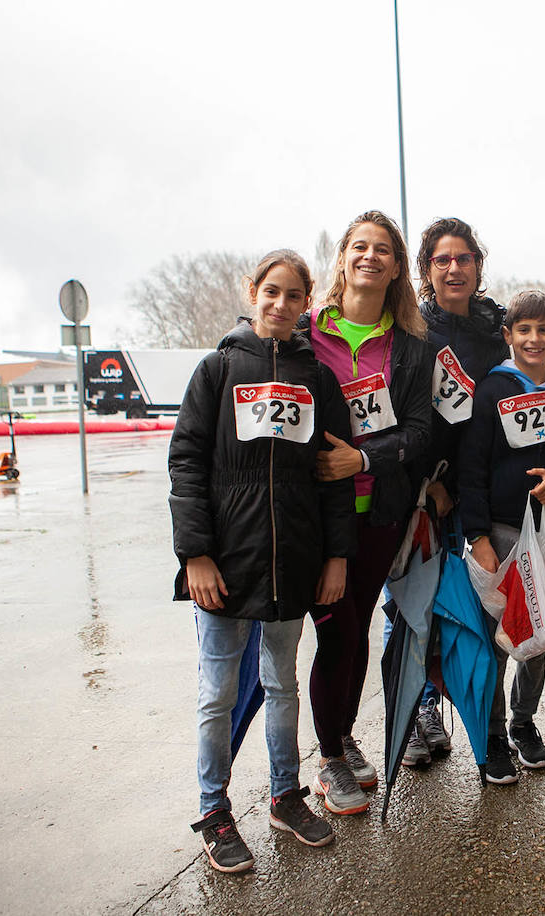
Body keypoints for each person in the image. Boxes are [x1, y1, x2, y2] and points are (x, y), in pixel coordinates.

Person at [169, 250, 355, 873]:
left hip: (294, 565)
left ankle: (284, 794)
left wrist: (335, 558)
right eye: (269, 292)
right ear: (252, 292)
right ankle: (215, 810)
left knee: (282, 684)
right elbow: (187, 463)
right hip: (223, 564)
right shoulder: (216, 370)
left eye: (293, 296)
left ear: (308, 304)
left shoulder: (318, 380)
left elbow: (333, 475)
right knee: (218, 693)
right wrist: (194, 554)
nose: (279, 305)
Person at [303, 211, 434, 814]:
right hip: (317, 515)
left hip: (380, 509)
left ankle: (342, 736)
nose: (371, 256)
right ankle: (330, 756)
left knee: (355, 631)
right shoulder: (306, 334)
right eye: (360, 246)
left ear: (397, 266)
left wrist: (361, 458)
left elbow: (420, 430)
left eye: (383, 249)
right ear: (343, 259)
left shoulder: (410, 345)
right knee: (336, 632)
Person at [458, 289, 545, 783]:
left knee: (536, 624)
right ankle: (493, 735)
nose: (533, 339)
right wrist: (477, 536)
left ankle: (524, 722)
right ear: (508, 336)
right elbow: (471, 466)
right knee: (496, 634)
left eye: (542, 330)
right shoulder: (492, 390)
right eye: (524, 330)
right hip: (498, 529)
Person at [400, 217, 509, 766]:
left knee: (477, 610)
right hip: (425, 492)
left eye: (462, 258)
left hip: (481, 489)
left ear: (477, 266)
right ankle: (420, 712)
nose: (453, 268)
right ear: (426, 270)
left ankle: (490, 722)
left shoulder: (499, 332)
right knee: (414, 607)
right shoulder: (414, 330)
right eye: (441, 260)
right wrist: (430, 484)